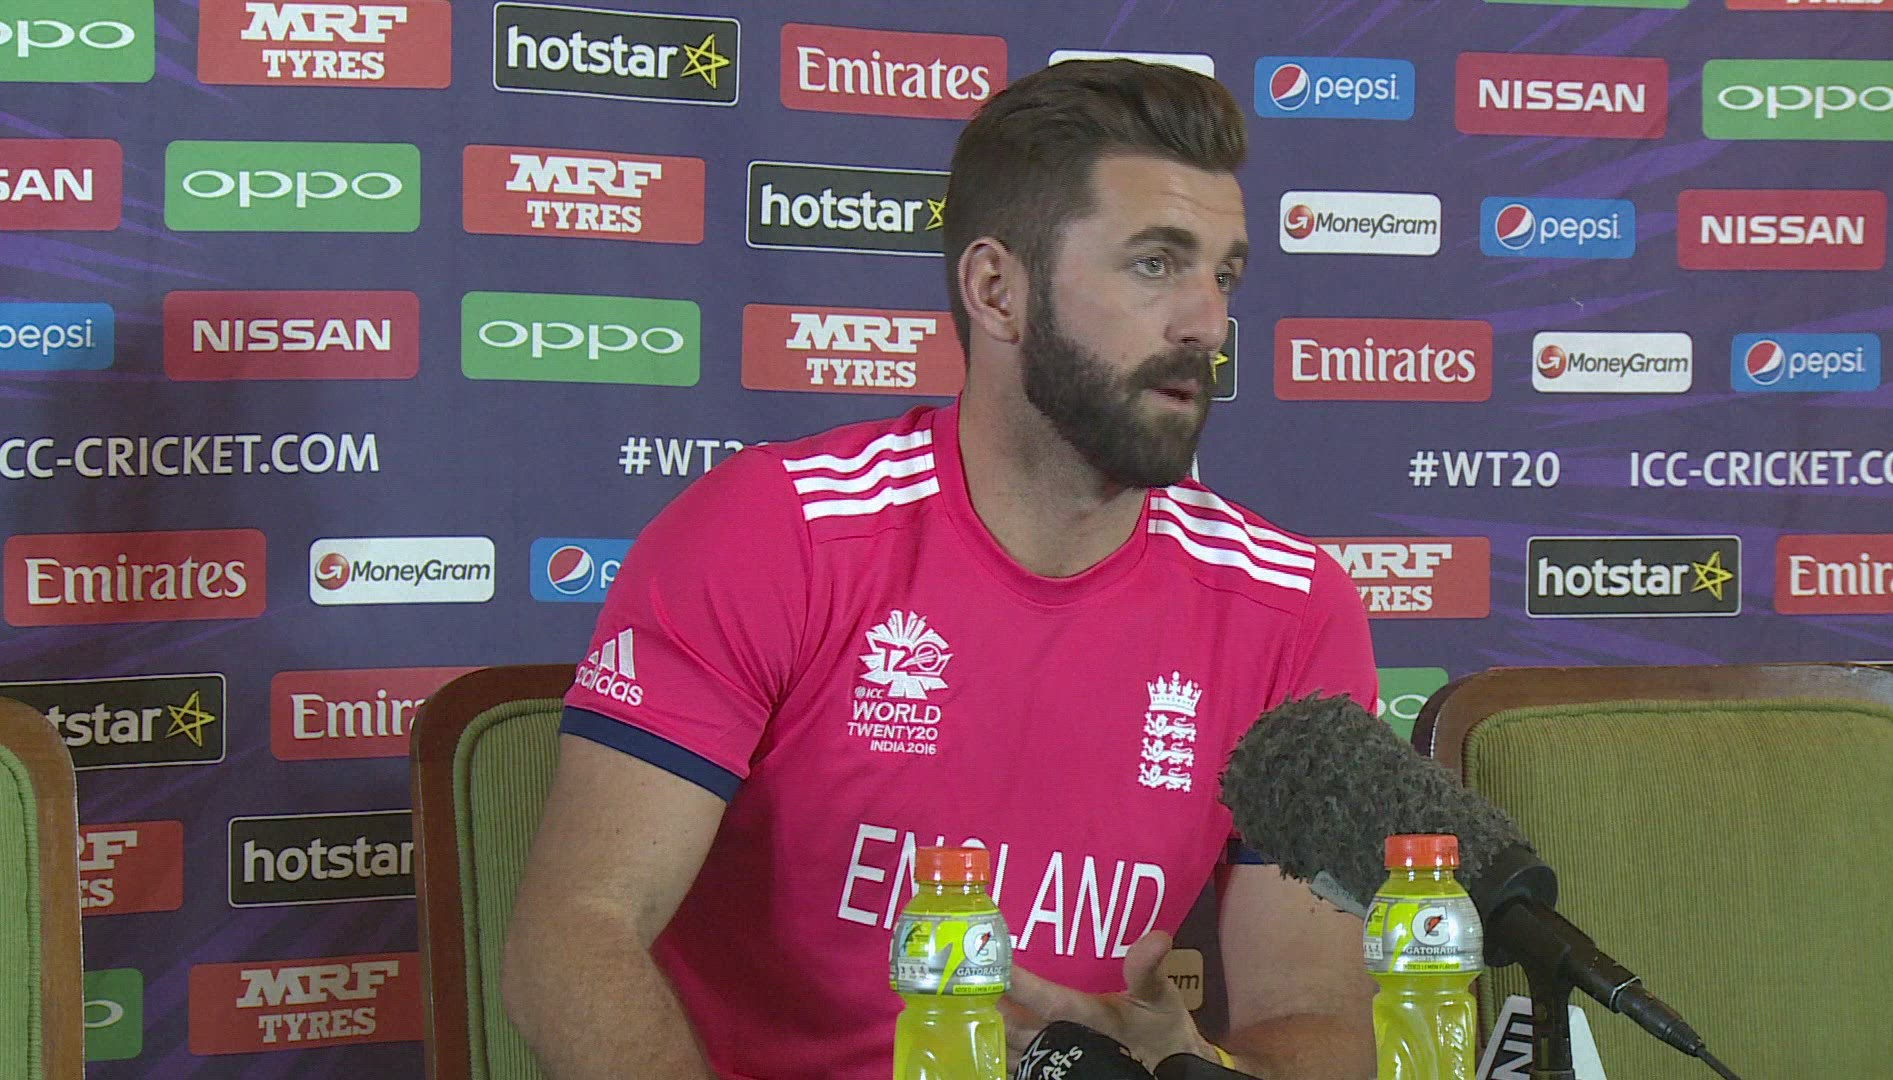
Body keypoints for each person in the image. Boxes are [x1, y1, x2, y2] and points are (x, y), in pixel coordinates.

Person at [499, 59, 1380, 1080]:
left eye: (1223, 276)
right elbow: (575, 936)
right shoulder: (779, 534)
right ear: (997, 290)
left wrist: (1201, 1072)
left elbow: (1317, 1019)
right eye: (1155, 264)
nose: (1207, 324)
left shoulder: (1291, 609)